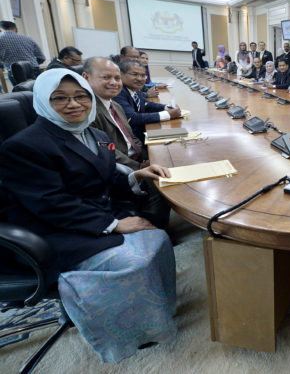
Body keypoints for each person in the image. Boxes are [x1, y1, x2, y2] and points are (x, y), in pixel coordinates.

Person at [0, 68, 177, 363]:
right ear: (44, 102)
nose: (74, 104)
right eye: (60, 98)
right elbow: (49, 203)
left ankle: (154, 316)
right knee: (132, 260)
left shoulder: (92, 133)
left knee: (156, 235)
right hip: (49, 232)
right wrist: (114, 225)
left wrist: (136, 175)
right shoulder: (23, 146)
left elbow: (104, 178)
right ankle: (125, 334)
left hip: (88, 214)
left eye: (81, 96)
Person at [82, 57, 170, 228]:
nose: (114, 83)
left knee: (170, 159)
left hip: (133, 160)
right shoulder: (87, 110)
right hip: (119, 171)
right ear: (86, 78)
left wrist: (148, 156)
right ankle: (156, 230)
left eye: (117, 78)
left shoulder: (115, 104)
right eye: (106, 77)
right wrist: (139, 166)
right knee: (160, 183)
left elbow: (132, 138)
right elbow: (107, 152)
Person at [113, 60, 182, 141]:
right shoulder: (118, 92)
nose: (139, 79)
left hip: (141, 133)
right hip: (133, 140)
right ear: (121, 75)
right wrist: (167, 114)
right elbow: (133, 119)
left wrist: (167, 107)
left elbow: (146, 104)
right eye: (135, 74)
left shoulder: (134, 89)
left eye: (143, 75)